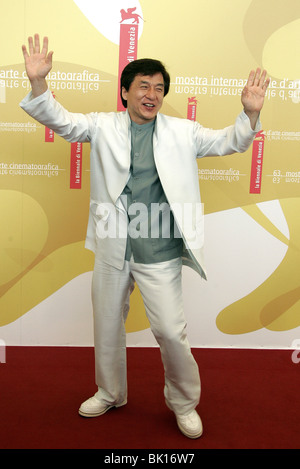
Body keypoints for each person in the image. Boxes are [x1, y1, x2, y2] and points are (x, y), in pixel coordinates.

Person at [20, 34, 270, 439]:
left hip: (160, 250)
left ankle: (184, 403)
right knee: (106, 324)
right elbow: (62, 121)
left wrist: (249, 115)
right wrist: (37, 83)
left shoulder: (183, 131)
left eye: (158, 88)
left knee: (171, 330)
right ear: (125, 92)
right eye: (143, 86)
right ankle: (110, 391)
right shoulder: (101, 126)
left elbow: (231, 142)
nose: (152, 94)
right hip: (112, 244)